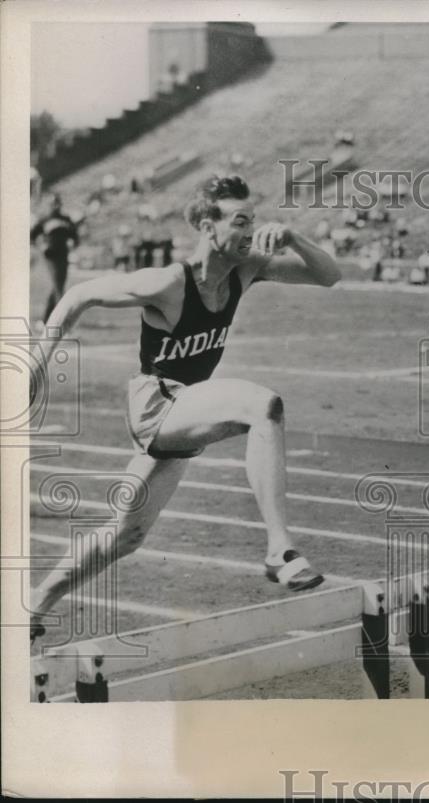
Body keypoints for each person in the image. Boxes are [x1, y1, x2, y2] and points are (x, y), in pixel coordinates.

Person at [28, 175, 341, 641]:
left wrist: (294, 237)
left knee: (124, 536)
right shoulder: (169, 282)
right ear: (206, 225)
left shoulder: (246, 269)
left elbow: (328, 275)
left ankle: (33, 604)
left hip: (187, 411)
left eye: (253, 220)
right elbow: (79, 295)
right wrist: (37, 363)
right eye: (240, 221)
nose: (251, 231)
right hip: (156, 407)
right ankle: (280, 550)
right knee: (263, 405)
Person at [30, 193, 79, 328]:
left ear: (59, 204)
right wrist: (41, 245)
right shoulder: (45, 219)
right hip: (50, 256)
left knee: (58, 287)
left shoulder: (66, 219)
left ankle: (46, 320)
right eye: (52, 203)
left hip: (63, 255)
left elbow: (75, 236)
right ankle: (62, 323)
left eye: (56, 203)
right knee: (58, 288)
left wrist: (73, 242)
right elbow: (32, 236)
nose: (54, 206)